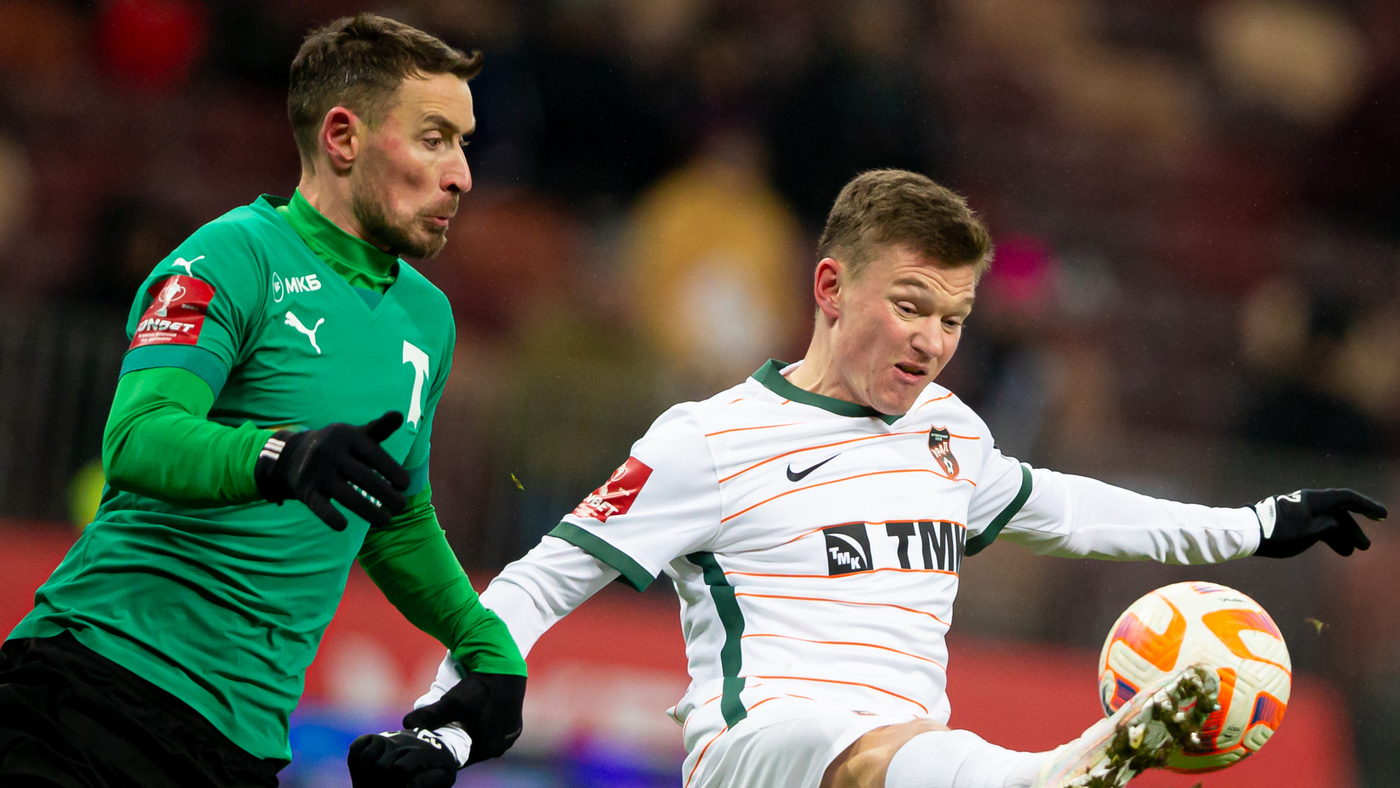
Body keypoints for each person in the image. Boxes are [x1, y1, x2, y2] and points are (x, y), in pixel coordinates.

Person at [356, 170, 1386, 788]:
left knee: (902, 749)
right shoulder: (709, 439)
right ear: (830, 287)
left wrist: (1254, 524)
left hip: (911, 768)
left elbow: (1070, 508)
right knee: (835, 732)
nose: (933, 341)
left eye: (954, 317)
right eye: (910, 305)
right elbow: (538, 582)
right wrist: (445, 724)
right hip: (757, 756)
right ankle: (1045, 773)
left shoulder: (947, 434)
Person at [0, 13, 527, 788]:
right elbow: (137, 436)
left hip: (241, 747)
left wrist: (485, 642)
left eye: (464, 144)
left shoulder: (428, 319)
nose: (461, 176)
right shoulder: (232, 256)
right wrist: (279, 454)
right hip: (92, 692)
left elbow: (394, 514)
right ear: (342, 138)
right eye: (434, 139)